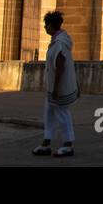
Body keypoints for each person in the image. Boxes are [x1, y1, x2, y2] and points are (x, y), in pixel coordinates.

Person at [32, 11, 78, 158]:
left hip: (59, 88)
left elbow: (61, 67)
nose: (45, 28)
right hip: (53, 87)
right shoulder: (58, 41)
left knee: (62, 113)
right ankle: (46, 141)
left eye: (46, 25)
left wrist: (57, 88)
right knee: (49, 113)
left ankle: (68, 144)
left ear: (52, 26)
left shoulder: (59, 44)